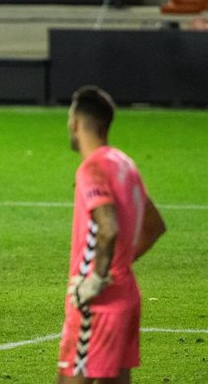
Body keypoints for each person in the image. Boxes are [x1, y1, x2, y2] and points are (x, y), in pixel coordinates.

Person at [58, 86, 167, 383]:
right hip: (127, 297)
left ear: (77, 123)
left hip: (97, 305)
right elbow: (155, 226)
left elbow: (107, 227)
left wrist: (96, 279)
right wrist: (119, 266)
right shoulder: (124, 164)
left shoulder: (91, 170)